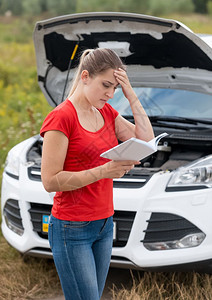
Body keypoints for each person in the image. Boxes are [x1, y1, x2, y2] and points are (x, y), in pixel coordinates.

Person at [40, 48, 154, 300]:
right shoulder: (61, 118)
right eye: (105, 85)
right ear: (85, 77)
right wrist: (104, 170)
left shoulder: (106, 113)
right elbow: (50, 180)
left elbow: (146, 141)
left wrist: (131, 94)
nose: (110, 94)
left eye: (115, 88)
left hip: (104, 224)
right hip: (72, 228)